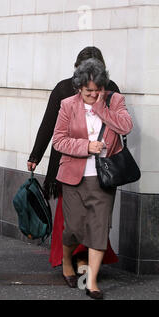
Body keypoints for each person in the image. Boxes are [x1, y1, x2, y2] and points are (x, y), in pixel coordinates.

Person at [27, 47, 120, 271]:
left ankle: (84, 266)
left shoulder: (111, 89)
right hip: (69, 162)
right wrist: (35, 155)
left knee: (90, 218)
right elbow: (49, 126)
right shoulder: (64, 89)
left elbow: (119, 125)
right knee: (71, 218)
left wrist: (35, 156)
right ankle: (71, 260)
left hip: (99, 165)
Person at [52, 58, 133, 299]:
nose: (94, 94)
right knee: (74, 228)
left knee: (99, 229)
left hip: (104, 177)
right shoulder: (68, 105)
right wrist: (87, 146)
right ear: (79, 88)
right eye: (89, 91)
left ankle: (92, 282)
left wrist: (101, 109)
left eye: (98, 90)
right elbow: (58, 140)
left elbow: (126, 126)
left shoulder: (114, 100)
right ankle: (67, 262)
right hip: (73, 176)